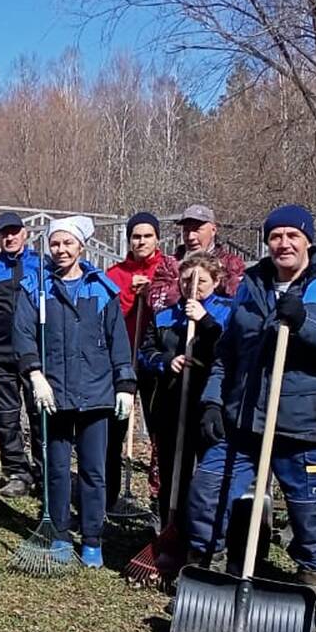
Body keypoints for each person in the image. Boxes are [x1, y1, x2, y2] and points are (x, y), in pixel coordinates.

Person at [186, 205, 316, 615]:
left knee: (311, 521)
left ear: (308, 240)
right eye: (275, 236)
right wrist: (213, 401)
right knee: (206, 494)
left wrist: (305, 323)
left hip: (307, 427)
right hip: (245, 421)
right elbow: (226, 353)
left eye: (292, 235)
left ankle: (313, 593)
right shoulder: (252, 284)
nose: (283, 243)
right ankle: (205, 575)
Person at [12, 215, 135, 568]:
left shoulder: (102, 288)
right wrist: (34, 374)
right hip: (54, 396)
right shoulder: (36, 288)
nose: (61, 250)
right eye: (55, 244)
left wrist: (124, 385)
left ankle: (93, 538)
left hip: (96, 396)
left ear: (81, 247)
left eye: (68, 243)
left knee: (94, 471)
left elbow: (118, 341)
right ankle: (61, 533)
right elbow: (22, 335)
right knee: (57, 468)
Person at [137, 251, 232, 525]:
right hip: (172, 405)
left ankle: (204, 534)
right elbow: (146, 352)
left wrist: (205, 321)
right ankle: (170, 528)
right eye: (187, 279)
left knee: (208, 476)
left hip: (208, 405)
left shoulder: (227, 311)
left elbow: (228, 351)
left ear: (216, 281)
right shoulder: (165, 316)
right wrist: (167, 361)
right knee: (172, 472)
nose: (192, 286)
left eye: (201, 281)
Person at [106, 210, 181, 509]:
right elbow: (112, 313)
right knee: (113, 432)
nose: (141, 241)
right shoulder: (116, 273)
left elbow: (172, 307)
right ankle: (108, 496)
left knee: (160, 432)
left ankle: (158, 496)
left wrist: (149, 293)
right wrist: (129, 292)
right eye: (136, 236)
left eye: (147, 236)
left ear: (157, 239)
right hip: (122, 359)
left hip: (154, 361)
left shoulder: (167, 270)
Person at [0, 211, 44, 496]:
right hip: (0, 355)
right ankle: (18, 472)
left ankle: (45, 473)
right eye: (4, 233)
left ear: (24, 233)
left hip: (35, 354)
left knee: (41, 414)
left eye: (15, 232)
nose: (10, 237)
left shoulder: (43, 266)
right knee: (6, 417)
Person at [178, 204, 247, 296]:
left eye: (197, 230)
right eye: (186, 230)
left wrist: (217, 273)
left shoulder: (231, 263)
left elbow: (238, 295)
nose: (190, 237)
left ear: (213, 230)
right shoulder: (171, 264)